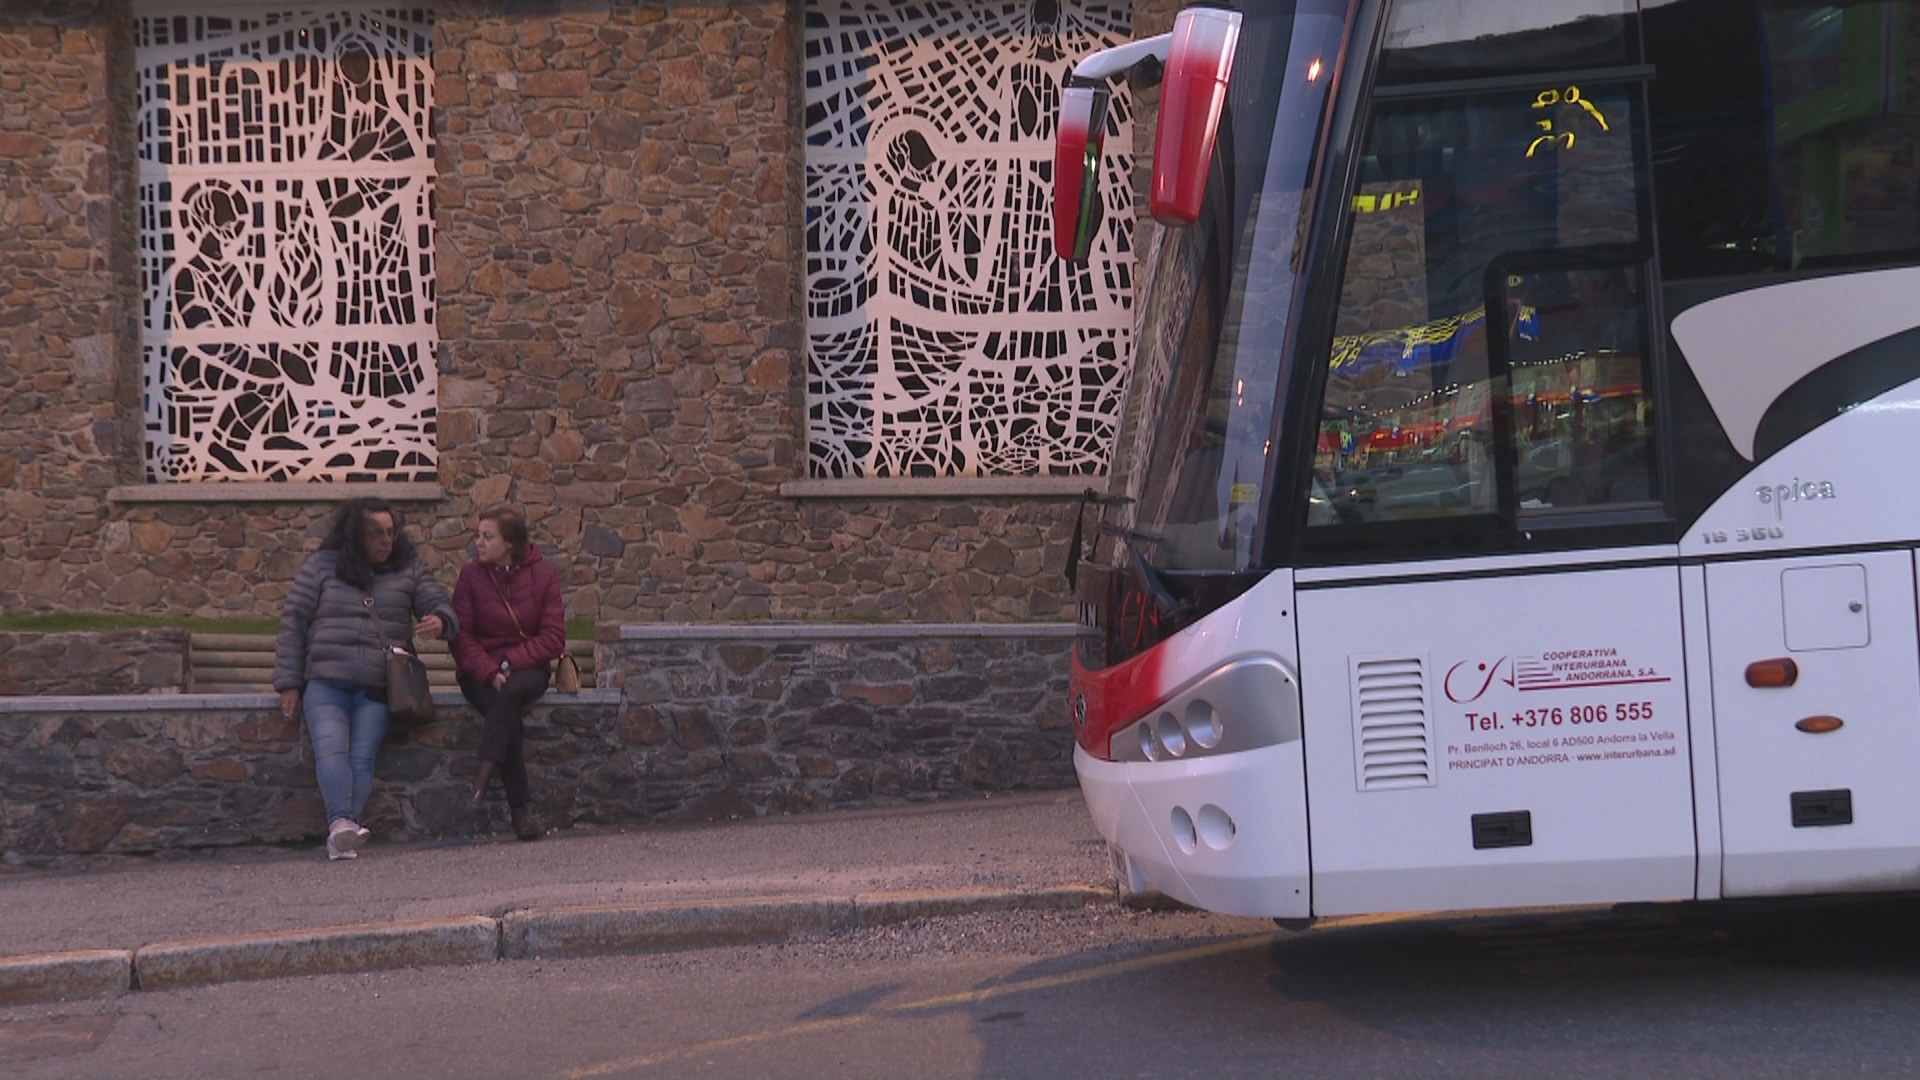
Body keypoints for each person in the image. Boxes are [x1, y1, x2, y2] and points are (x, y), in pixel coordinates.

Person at [273, 497, 457, 861]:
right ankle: (342, 825)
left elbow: (439, 603)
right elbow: (294, 622)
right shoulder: (321, 567)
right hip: (326, 680)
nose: (386, 540)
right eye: (376, 534)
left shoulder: (409, 569)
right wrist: (289, 682)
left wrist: (440, 620)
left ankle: (342, 831)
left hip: (378, 684)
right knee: (331, 748)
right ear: (354, 534)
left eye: (391, 532)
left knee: (361, 756)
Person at [450, 506, 565, 842]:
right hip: (478, 672)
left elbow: (553, 637)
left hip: (526, 669)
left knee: (512, 694)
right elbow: (461, 637)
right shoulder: (470, 576)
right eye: (479, 536)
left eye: (488, 537)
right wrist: (488, 670)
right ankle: (520, 812)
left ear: (510, 543)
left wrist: (509, 663)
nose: (479, 543)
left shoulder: (543, 575)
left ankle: (482, 777)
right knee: (507, 715)